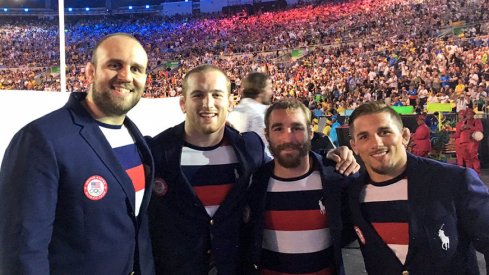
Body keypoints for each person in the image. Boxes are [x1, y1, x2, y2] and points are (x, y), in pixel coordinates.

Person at [148, 65, 359, 274]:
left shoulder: (250, 148)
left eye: (217, 95)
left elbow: (287, 160)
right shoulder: (154, 152)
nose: (208, 103)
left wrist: (328, 158)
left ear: (230, 102)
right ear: (183, 103)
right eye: (198, 95)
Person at [0, 33, 155, 274]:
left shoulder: (136, 139)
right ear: (90, 72)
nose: (126, 76)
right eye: (114, 65)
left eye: (136, 69)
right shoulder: (41, 139)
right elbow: (23, 250)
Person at [347, 101, 489, 274]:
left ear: (405, 136)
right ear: (354, 146)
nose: (376, 143)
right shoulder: (351, 191)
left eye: (384, 132)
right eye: (363, 136)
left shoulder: (453, 180)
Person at [244, 99, 356, 274]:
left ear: (310, 132)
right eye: (278, 128)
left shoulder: (335, 177)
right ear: (267, 135)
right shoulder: (255, 182)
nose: (288, 137)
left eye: (296, 128)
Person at [227, 72, 273, 156]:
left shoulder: (237, 111)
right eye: (269, 88)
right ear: (261, 91)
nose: (271, 92)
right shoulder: (250, 114)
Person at [458, 108, 484, 174]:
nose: (468, 115)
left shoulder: (477, 121)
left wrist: (469, 126)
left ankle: (477, 172)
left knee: (473, 157)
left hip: (472, 141)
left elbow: (480, 129)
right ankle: (469, 172)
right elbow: (459, 131)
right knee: (467, 158)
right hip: (464, 142)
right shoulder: (464, 121)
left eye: (470, 114)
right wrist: (461, 128)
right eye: (467, 114)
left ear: (473, 115)